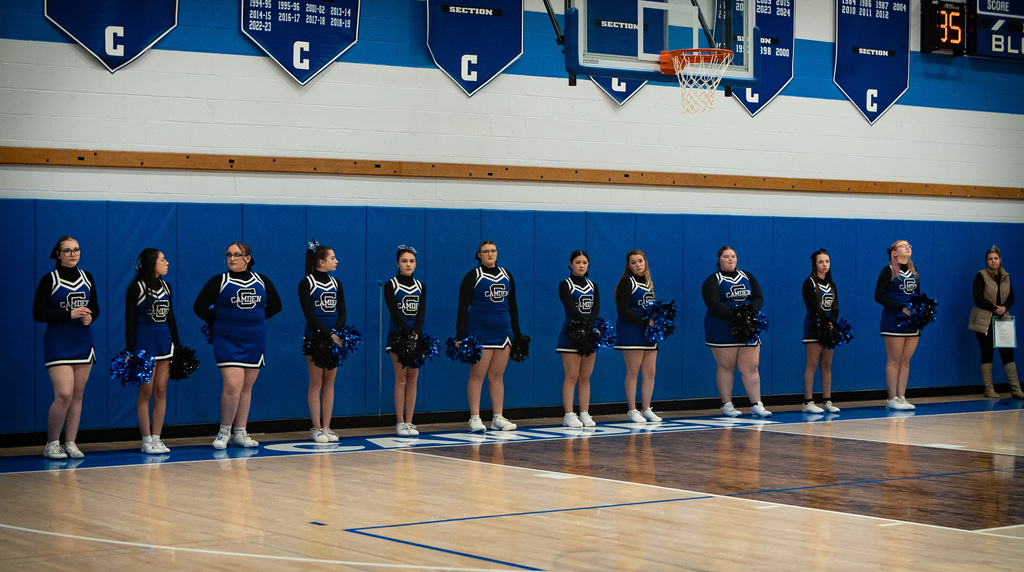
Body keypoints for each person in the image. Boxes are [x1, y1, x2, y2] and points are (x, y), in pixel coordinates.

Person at [193, 242, 282, 449]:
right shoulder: (219, 281)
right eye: (229, 255)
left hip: (254, 339)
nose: (232, 259)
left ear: (247, 258)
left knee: (246, 387)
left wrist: (253, 319)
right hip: (227, 340)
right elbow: (199, 307)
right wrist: (221, 322)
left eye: (237, 255)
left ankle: (240, 432)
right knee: (233, 384)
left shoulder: (262, 280)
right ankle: (224, 432)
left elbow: (276, 306)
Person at [33, 236, 99, 459]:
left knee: (77, 395)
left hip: (83, 342)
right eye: (68, 250)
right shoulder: (49, 279)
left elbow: (95, 307)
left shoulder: (87, 277)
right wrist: (68, 315)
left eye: (76, 249)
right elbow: (38, 313)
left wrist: (90, 316)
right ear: (58, 254)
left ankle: (70, 442)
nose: (73, 254)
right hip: (58, 343)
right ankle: (52, 443)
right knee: (64, 393)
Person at [456, 241, 520, 432]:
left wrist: (516, 332)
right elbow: (462, 306)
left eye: (493, 251)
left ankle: (498, 417)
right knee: (477, 376)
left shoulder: (507, 275)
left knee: (497, 376)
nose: (490, 254)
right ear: (479, 255)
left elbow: (513, 305)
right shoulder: (473, 276)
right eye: (485, 251)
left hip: (503, 333)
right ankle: (474, 418)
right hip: (479, 332)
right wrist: (460, 335)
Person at [702, 245, 771, 418]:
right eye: (726, 256)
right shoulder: (713, 280)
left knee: (752, 366)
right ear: (719, 260)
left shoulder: (747, 276)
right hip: (722, 327)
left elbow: (758, 297)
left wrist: (749, 314)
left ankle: (756, 404)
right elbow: (713, 303)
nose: (730, 259)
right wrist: (735, 316)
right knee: (726, 366)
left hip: (748, 326)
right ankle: (727, 405)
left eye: (733, 256)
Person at [126, 248, 181, 454]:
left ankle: (157, 438)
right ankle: (146, 439)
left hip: (164, 345)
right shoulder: (136, 287)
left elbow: (171, 318)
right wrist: (131, 351)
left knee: (161, 391)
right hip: (144, 347)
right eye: (163, 259)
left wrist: (178, 346)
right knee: (146, 392)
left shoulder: (166, 286)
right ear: (152, 263)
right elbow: (129, 321)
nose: (167, 263)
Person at [298, 242, 346, 443]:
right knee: (316, 382)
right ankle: (316, 428)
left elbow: (342, 313)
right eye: (332, 258)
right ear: (321, 261)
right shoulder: (306, 283)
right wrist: (328, 334)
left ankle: (327, 426)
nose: (336, 261)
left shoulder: (336, 283)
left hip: (334, 339)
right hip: (315, 338)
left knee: (329, 383)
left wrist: (336, 333)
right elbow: (309, 315)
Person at [614, 249, 661, 424]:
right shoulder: (627, 282)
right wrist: (645, 321)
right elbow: (622, 310)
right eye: (633, 262)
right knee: (633, 371)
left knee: (650, 371)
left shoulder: (649, 282)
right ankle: (632, 410)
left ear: (645, 262)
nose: (638, 265)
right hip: (631, 329)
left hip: (648, 331)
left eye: (640, 261)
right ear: (629, 266)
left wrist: (658, 319)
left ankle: (646, 409)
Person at [968, 245, 1021, 398]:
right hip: (984, 319)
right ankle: (989, 388)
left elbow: (1011, 297)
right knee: (987, 351)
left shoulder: (1005, 276)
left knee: (1007, 352)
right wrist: (994, 308)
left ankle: (1016, 389)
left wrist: (1004, 308)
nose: (993, 261)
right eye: (990, 259)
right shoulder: (981, 276)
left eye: (996, 258)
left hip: (1002, 319)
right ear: (986, 261)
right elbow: (978, 298)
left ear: (1000, 260)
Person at [384, 245, 427, 437]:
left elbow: (421, 314)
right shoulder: (391, 285)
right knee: (401, 379)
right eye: (404, 261)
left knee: (413, 380)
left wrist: (415, 334)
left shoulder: (421, 286)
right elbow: (394, 312)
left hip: (416, 337)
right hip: (397, 336)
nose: (408, 264)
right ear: (397, 263)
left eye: (411, 261)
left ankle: (410, 422)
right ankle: (400, 422)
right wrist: (407, 333)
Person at [875, 239, 920, 411]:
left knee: (905, 361)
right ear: (894, 252)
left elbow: (918, 295)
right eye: (903, 246)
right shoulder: (888, 270)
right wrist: (900, 308)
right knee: (894, 360)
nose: (908, 247)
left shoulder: (914, 271)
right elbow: (879, 296)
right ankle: (891, 398)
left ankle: (901, 397)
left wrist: (918, 310)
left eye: (909, 245)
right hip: (893, 320)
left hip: (912, 321)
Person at [557, 250, 600, 428]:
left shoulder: (593, 285)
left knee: (585, 377)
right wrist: (587, 324)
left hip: (589, 334)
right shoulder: (564, 284)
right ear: (570, 264)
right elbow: (571, 308)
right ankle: (568, 414)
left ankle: (584, 412)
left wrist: (591, 326)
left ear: (588, 265)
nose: (581, 265)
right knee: (571, 376)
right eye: (577, 262)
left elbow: (595, 308)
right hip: (571, 334)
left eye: (584, 262)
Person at [801, 249, 841, 414]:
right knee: (812, 364)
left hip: (829, 327)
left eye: (827, 261)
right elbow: (812, 307)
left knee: (826, 364)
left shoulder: (832, 284)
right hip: (814, 327)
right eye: (821, 262)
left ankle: (827, 400)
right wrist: (824, 322)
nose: (824, 264)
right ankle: (808, 401)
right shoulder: (809, 283)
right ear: (815, 264)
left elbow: (835, 307)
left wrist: (832, 322)